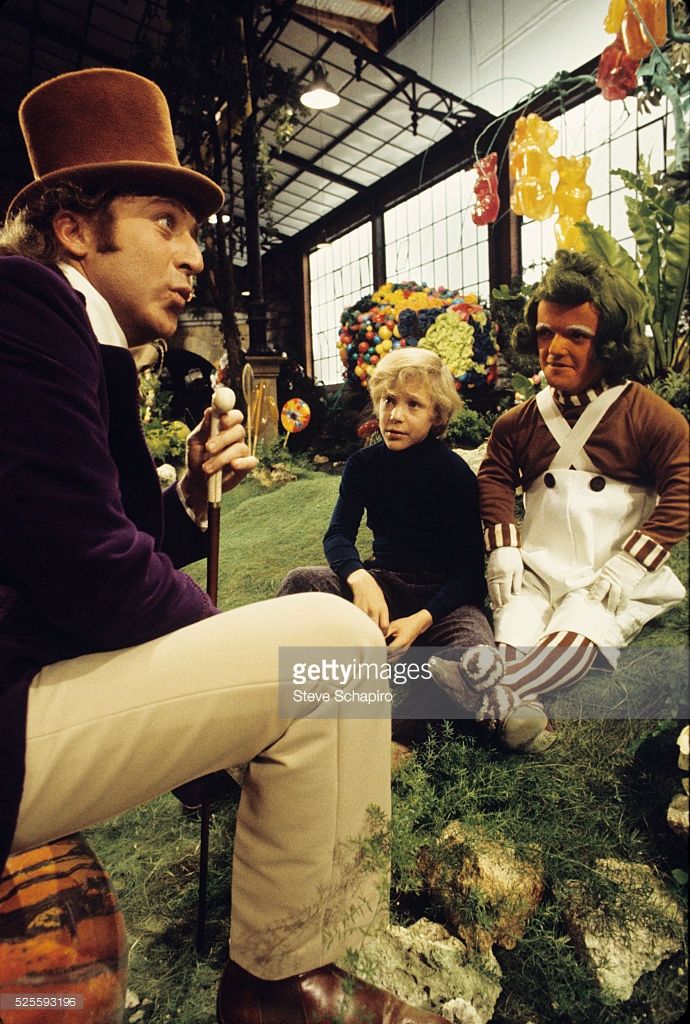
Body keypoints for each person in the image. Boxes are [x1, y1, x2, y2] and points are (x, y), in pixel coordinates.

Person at [0, 68, 451, 1024]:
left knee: (314, 647)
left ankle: (288, 972)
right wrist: (224, 671)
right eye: (166, 222)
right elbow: (90, 573)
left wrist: (191, 493)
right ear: (74, 227)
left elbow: (77, 534)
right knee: (331, 641)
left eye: (195, 231)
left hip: (25, 691)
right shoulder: (24, 305)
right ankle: (283, 987)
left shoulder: (78, 334)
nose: (194, 256)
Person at [433, 249, 688, 752]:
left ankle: (478, 692)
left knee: (582, 628)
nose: (555, 348)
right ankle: (517, 709)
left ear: (610, 343)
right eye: (545, 332)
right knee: (515, 623)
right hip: (538, 566)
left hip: (609, 573)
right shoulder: (517, 422)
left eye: (576, 335)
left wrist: (633, 564)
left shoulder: (650, 416)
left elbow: (683, 488)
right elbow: (495, 475)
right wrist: (504, 547)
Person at [279, 346, 503, 725]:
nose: (395, 415)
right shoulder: (363, 466)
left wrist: (420, 620)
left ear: (436, 415)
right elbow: (338, 534)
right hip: (383, 586)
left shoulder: (454, 475)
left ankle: (400, 725)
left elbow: (468, 573)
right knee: (301, 582)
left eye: (413, 405)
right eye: (388, 400)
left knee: (474, 654)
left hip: (442, 605)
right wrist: (359, 577)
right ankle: (300, 684)